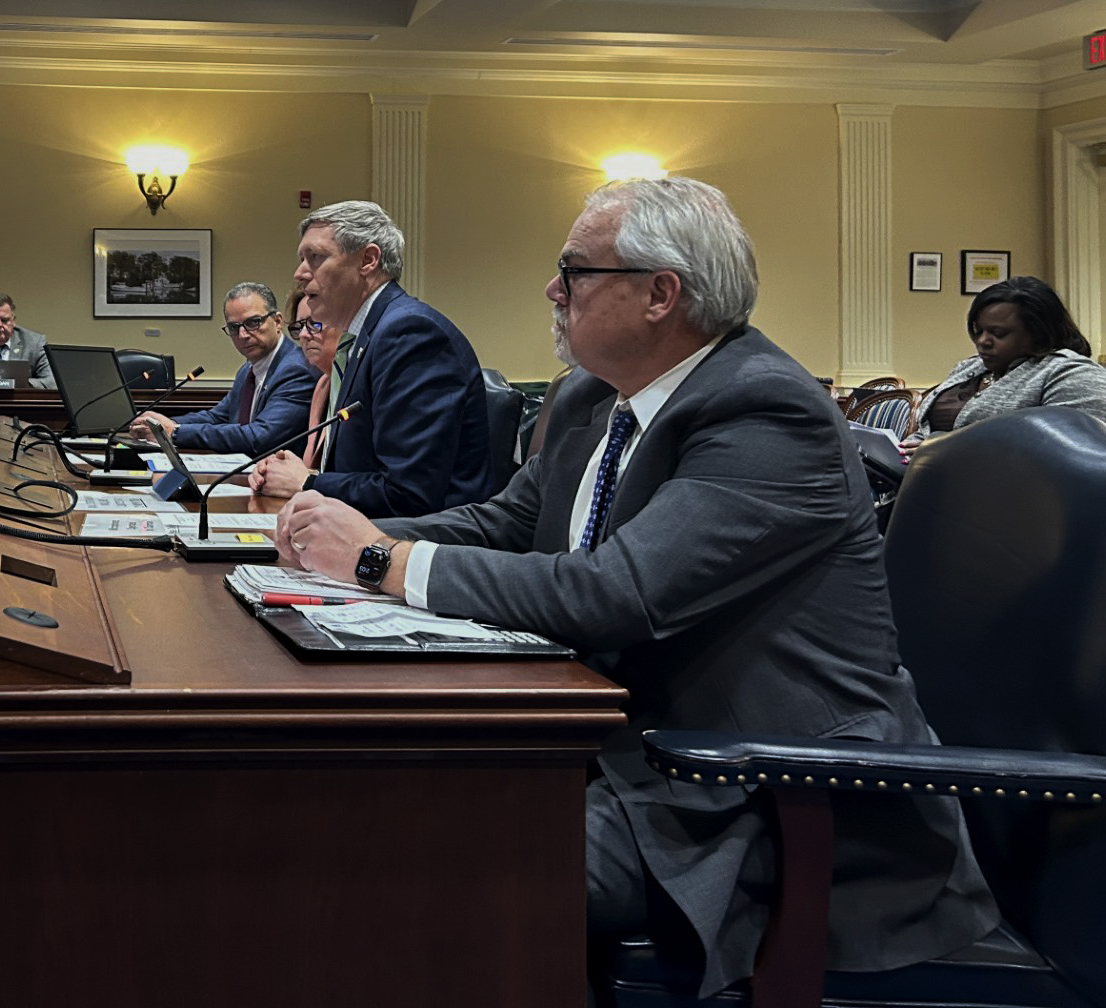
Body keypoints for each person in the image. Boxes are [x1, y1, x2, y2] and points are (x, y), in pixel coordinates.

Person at [272, 177, 996, 997]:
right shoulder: (595, 396)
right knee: (354, 792)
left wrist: (379, 561)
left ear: (660, 294)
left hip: (759, 797)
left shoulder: (766, 413)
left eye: (574, 271)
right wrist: (326, 538)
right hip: (617, 747)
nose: (552, 289)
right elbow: (503, 525)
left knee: (417, 863)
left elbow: (614, 593)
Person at [248, 200, 492, 518]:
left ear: (368, 260)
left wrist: (307, 482)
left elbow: (409, 494)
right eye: (302, 259)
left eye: (316, 257)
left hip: (416, 543)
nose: (300, 274)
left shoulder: (409, 333)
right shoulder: (369, 334)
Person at [900, 275, 1106, 454]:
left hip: (1008, 494)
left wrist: (949, 453)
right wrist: (909, 448)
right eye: (979, 330)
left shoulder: (1070, 373)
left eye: (998, 333)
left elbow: (1075, 453)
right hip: (930, 482)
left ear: (1039, 332)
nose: (983, 341)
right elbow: (929, 432)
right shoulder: (970, 368)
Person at [127, 281, 315, 454]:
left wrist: (175, 432)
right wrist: (161, 425)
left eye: (253, 322)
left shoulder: (296, 369)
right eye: (234, 328)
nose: (243, 335)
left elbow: (260, 437)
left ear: (277, 321)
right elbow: (217, 417)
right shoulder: (247, 370)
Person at [284, 287, 342, 469]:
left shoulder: (360, 382)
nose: (303, 335)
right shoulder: (323, 385)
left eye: (314, 324)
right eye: (299, 326)